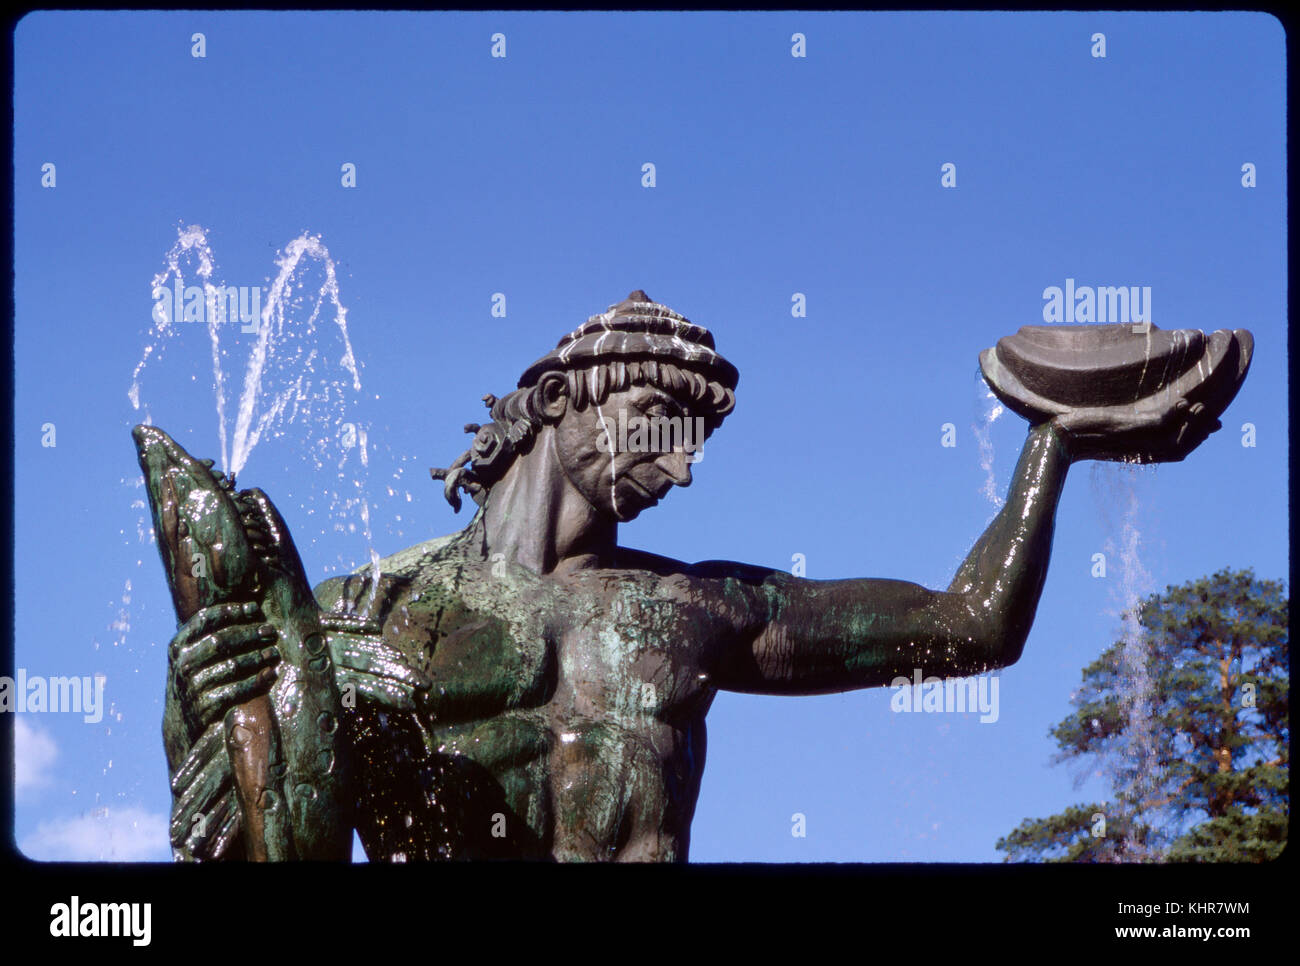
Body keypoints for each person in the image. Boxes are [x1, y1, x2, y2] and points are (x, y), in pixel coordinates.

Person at [164, 290, 1216, 861]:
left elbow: (968, 628)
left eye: (697, 442)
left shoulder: (695, 608)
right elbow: (252, 825)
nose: (679, 465)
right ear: (558, 401)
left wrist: (1055, 447)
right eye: (658, 425)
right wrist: (197, 705)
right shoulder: (365, 612)